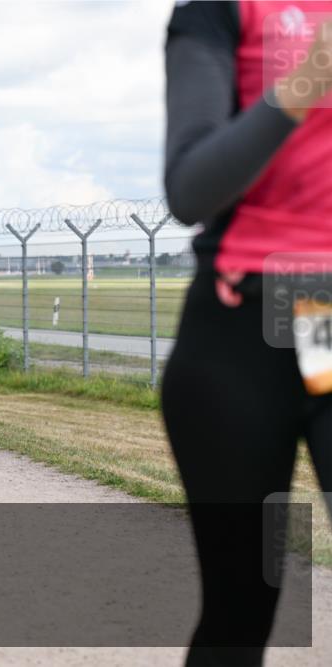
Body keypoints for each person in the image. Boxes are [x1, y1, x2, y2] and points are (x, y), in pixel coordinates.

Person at [162, 4, 332, 665]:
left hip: (324, 315)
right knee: (241, 607)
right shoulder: (219, 9)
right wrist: (309, 76)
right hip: (245, 317)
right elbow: (189, 188)